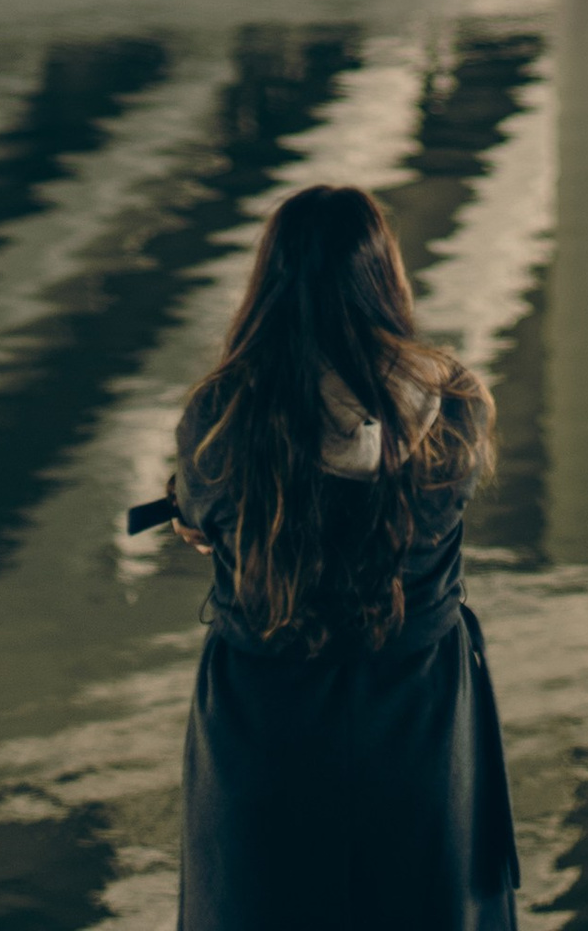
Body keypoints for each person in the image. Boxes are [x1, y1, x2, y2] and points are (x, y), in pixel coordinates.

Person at [162, 181, 517, 931]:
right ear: (384, 277)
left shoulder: (225, 412)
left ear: (270, 280)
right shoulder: (455, 404)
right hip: (418, 715)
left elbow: (200, 512)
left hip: (266, 722)